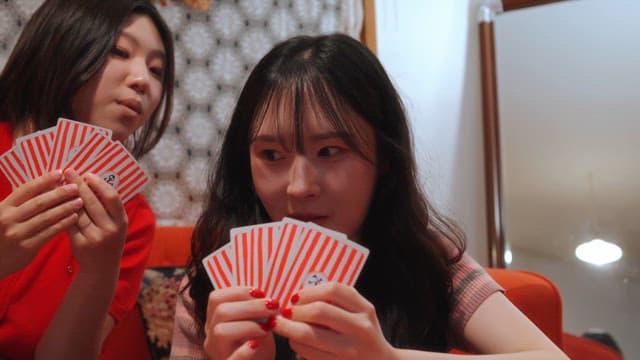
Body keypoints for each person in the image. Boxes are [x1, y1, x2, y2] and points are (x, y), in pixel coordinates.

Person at [171, 34, 568, 359]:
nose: (298, 186)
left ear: (384, 159)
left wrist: (387, 358)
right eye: (271, 155)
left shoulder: (427, 261)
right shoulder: (210, 285)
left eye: (329, 151)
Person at [0, 0, 174, 358]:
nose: (143, 80)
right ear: (61, 45)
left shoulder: (131, 221)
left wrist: (98, 273)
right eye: (119, 51)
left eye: (157, 70)